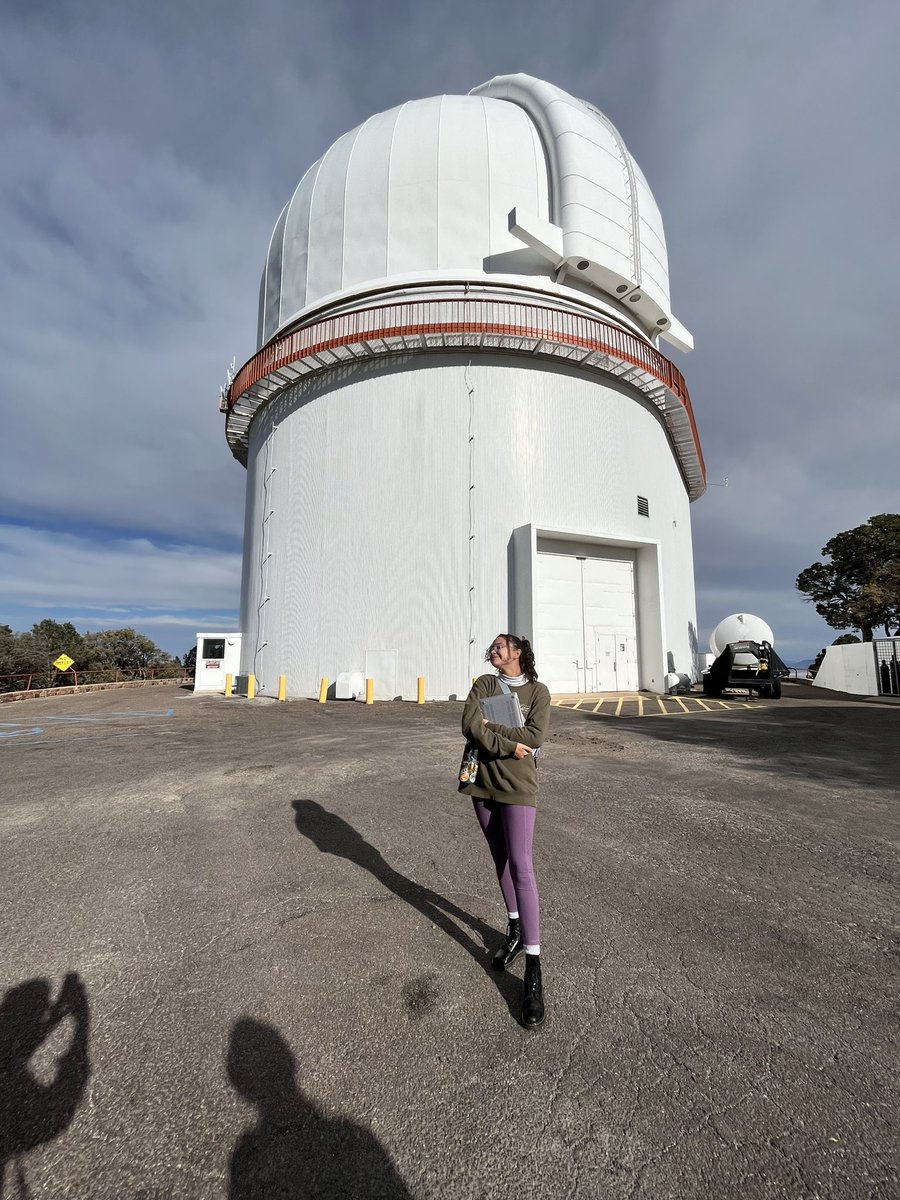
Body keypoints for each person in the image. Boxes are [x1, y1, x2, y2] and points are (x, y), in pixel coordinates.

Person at [459, 633, 551, 1027]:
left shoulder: (538, 691)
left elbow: (535, 738)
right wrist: (509, 745)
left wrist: (493, 730)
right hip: (481, 780)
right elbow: (468, 724)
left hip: (518, 785)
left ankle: (533, 968)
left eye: (501, 647)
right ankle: (513, 928)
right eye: (493, 648)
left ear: (518, 653)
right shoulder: (484, 683)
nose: (494, 651)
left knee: (522, 866)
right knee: (500, 859)